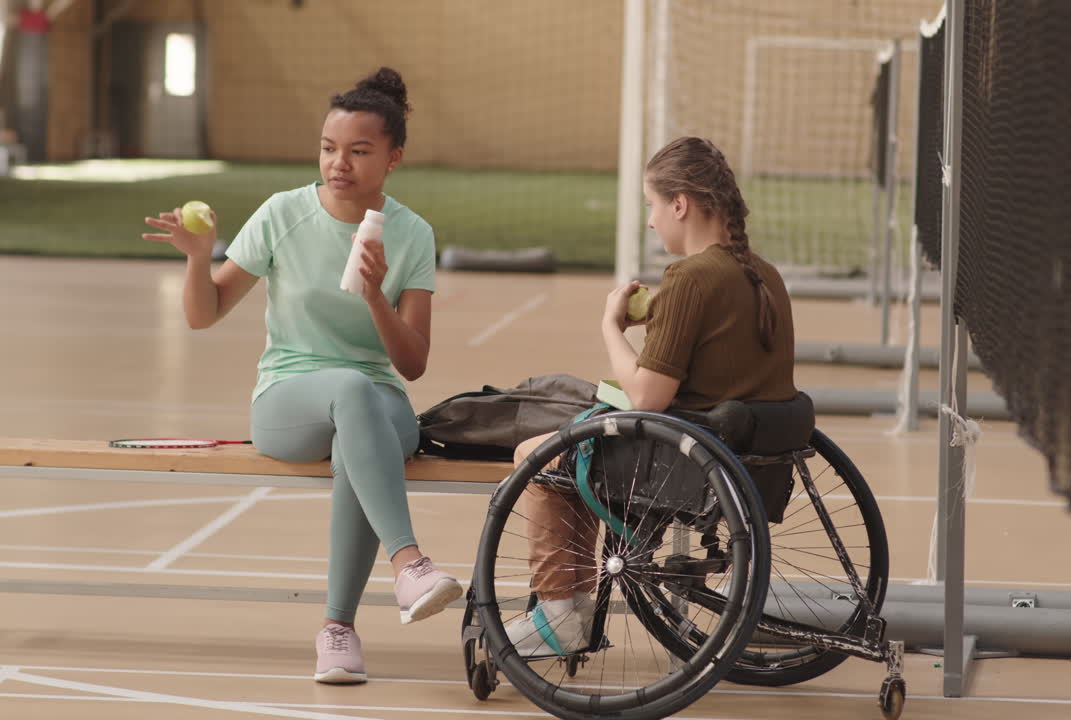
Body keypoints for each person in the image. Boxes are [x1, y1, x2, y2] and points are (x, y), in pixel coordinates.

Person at [141, 67, 462, 684]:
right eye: (328, 147)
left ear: (393, 158)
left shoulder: (413, 233)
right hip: (289, 398)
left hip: (379, 399)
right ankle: (411, 564)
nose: (338, 163)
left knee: (358, 428)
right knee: (348, 390)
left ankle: (337, 632)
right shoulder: (282, 213)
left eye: (359, 151)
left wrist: (374, 295)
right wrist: (198, 259)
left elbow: (413, 363)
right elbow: (204, 315)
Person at [505, 135, 798, 656]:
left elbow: (646, 395)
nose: (649, 220)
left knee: (537, 456)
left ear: (680, 204)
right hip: (748, 463)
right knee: (577, 447)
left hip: (685, 464)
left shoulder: (690, 277)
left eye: (652, 206)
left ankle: (560, 614)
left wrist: (611, 328)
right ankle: (570, 611)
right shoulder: (764, 275)